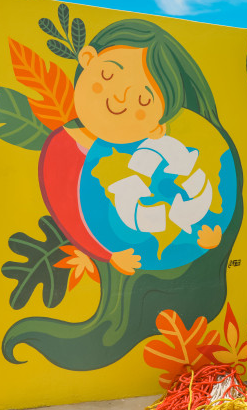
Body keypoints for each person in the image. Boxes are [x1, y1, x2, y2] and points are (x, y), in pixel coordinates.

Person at [38, 18, 233, 275]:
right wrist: (107, 255)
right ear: (87, 58)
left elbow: (196, 203)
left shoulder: (153, 151)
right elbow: (69, 218)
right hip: (110, 257)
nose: (119, 98)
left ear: (156, 128)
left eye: (142, 99)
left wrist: (208, 238)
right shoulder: (62, 146)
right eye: (108, 75)